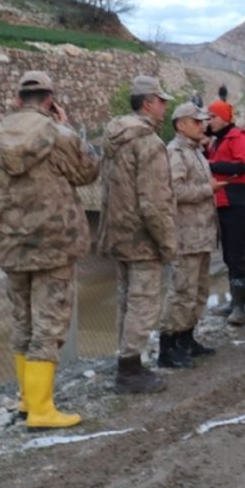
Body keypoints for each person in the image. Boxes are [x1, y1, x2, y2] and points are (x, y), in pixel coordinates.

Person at [0, 71, 99, 428]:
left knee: (22, 323)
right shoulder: (59, 135)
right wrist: (68, 127)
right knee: (49, 326)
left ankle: (27, 400)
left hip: (10, 246)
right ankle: (42, 411)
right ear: (51, 100)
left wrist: (9, 217)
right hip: (54, 246)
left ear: (16, 98)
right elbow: (88, 173)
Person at [98, 76, 177, 394]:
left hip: (117, 233)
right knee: (143, 303)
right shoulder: (148, 142)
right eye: (162, 101)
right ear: (148, 103)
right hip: (142, 238)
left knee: (125, 301)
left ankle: (127, 361)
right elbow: (153, 202)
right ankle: (129, 370)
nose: (165, 107)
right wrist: (167, 243)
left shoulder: (114, 138)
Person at [158, 102, 218, 369]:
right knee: (182, 292)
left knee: (199, 291)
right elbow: (176, 191)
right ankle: (168, 347)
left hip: (202, 234)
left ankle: (187, 338)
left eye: (203, 121)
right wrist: (208, 188)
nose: (202, 125)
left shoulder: (197, 152)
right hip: (186, 235)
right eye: (196, 121)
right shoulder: (175, 153)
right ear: (181, 124)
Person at [206, 99, 245, 326]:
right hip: (222, 202)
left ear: (224, 117)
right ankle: (234, 302)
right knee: (228, 255)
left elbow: (243, 164)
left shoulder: (237, 136)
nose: (209, 121)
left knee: (236, 254)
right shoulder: (217, 140)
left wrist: (211, 166)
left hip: (235, 201)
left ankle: (240, 307)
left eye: (212, 117)